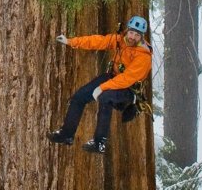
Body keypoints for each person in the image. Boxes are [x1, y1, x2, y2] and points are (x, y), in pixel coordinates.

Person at [47, 15, 152, 154]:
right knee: (79, 96)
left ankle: (99, 142)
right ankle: (66, 134)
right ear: (127, 30)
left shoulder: (143, 57)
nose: (132, 37)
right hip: (113, 78)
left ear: (142, 37)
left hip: (129, 89)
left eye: (137, 35)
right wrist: (71, 41)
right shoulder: (121, 39)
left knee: (105, 97)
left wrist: (102, 87)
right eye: (131, 32)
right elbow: (98, 41)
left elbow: (127, 79)